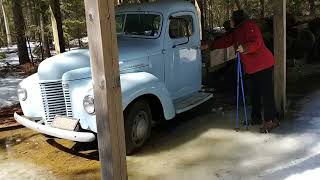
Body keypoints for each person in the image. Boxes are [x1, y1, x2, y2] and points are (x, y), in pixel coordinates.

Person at [203, 10, 279, 133]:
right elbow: (227, 40)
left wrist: (245, 47)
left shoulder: (249, 26)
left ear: (238, 19)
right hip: (252, 68)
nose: (230, 21)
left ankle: (271, 120)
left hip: (263, 65)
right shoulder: (237, 30)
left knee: (266, 94)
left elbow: (256, 42)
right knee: (254, 93)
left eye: (232, 19)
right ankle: (256, 118)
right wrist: (211, 45)